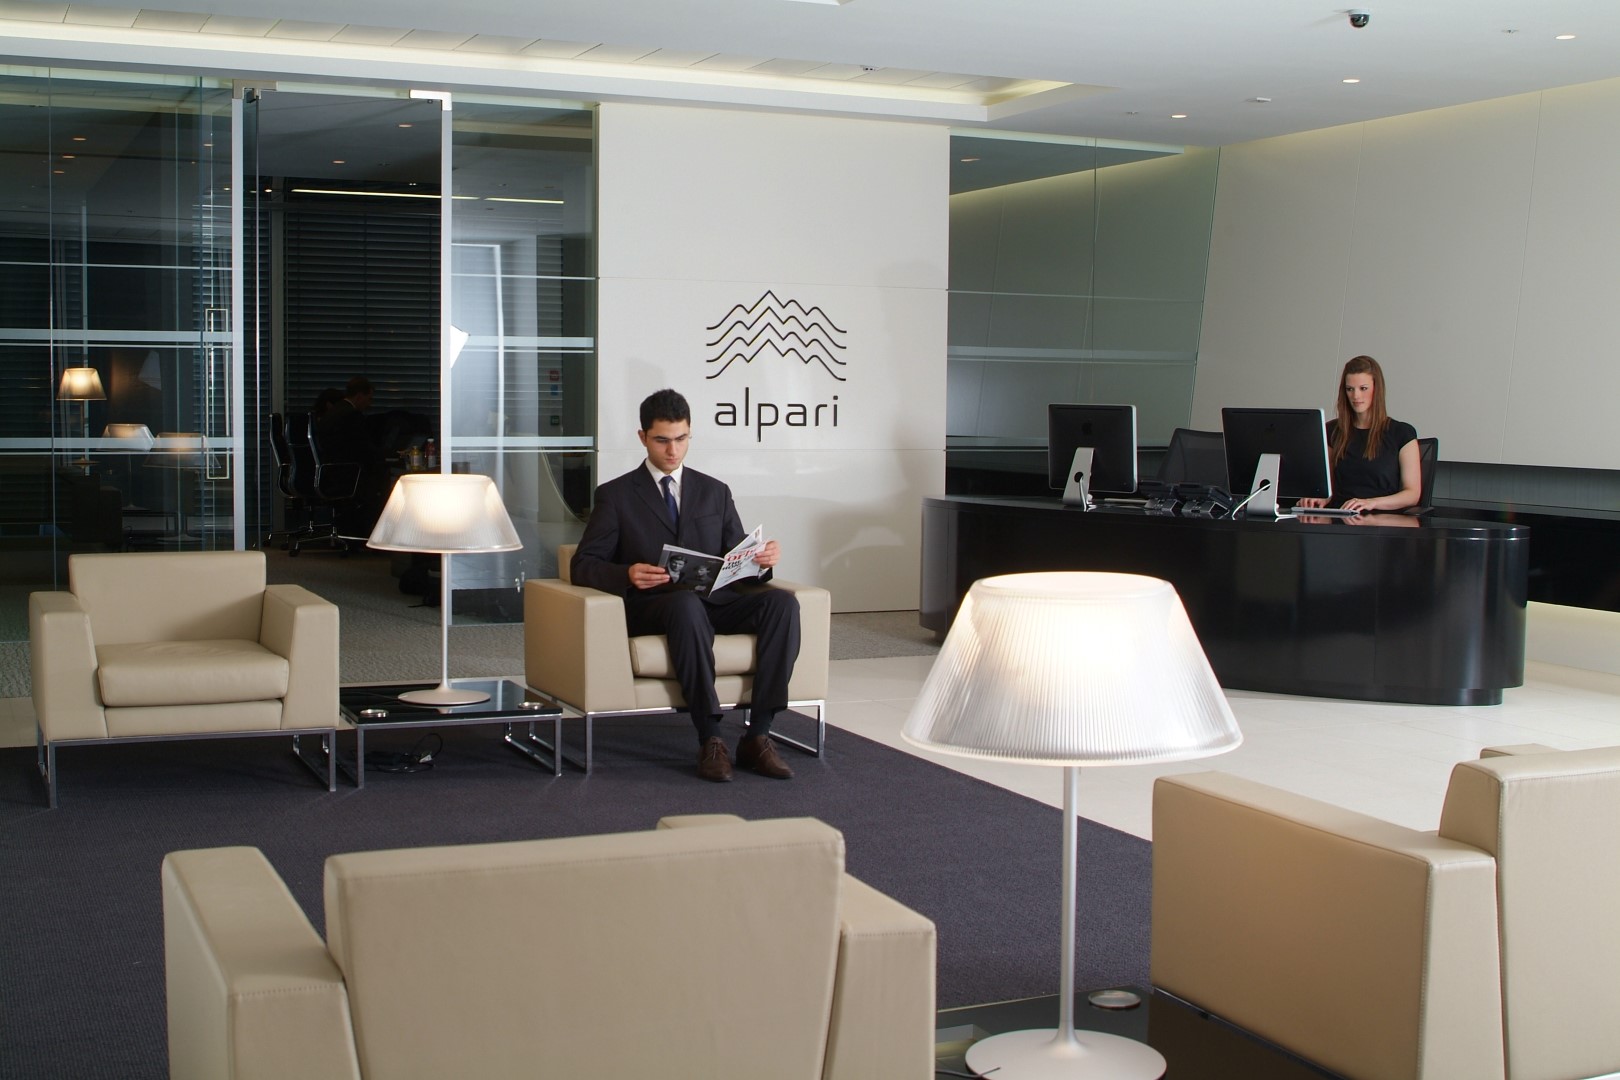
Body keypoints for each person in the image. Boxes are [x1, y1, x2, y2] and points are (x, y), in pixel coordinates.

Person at [571, 388, 802, 783]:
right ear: (643, 437)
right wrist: (626, 573)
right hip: (657, 606)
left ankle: (759, 734)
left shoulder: (715, 491)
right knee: (685, 605)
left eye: (681, 439)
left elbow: (738, 556)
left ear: (690, 434)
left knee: (783, 604)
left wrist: (761, 561)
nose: (673, 451)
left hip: (714, 601)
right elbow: (583, 565)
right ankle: (711, 737)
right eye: (662, 440)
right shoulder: (615, 495)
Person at [1297, 355, 1421, 514]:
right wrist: (1320, 498)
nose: (1356, 396)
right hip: (1341, 517)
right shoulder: (1332, 431)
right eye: (1350, 389)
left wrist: (1372, 503)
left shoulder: (1402, 433)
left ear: (1376, 389)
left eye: (1363, 388)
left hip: (1382, 520)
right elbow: (1327, 488)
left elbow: (1412, 494)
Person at [313, 375, 392, 534]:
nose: (369, 404)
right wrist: (389, 456)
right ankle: (372, 531)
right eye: (369, 399)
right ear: (359, 396)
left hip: (330, 470)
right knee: (384, 479)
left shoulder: (334, 411)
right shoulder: (351, 415)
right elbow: (363, 447)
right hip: (344, 473)